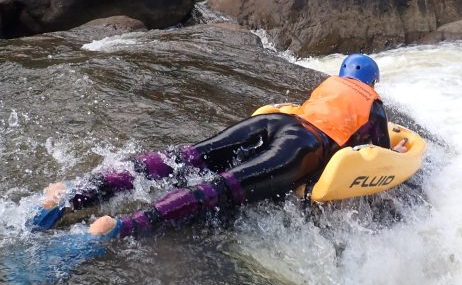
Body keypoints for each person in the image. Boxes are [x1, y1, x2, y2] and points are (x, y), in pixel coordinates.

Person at [35, 53, 408, 239]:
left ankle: (73, 195)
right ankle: (122, 227)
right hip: (304, 146)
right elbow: (376, 151)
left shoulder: (329, 84)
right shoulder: (371, 101)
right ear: (373, 81)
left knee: (187, 157)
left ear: (342, 72)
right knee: (220, 189)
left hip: (276, 122)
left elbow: (306, 111)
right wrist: (400, 155)